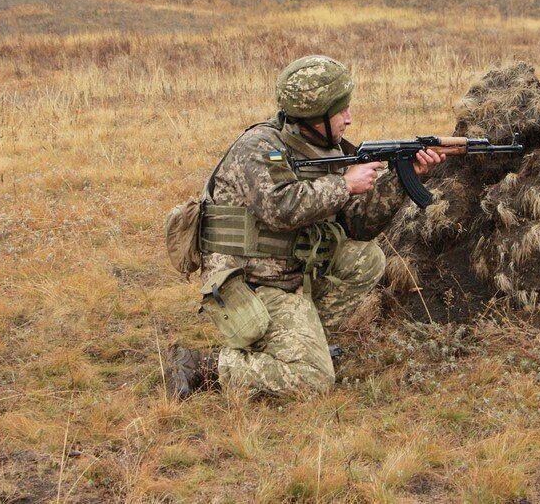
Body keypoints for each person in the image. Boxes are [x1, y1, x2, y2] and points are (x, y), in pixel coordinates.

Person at [168, 55, 443, 398]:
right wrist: (344, 184)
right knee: (312, 381)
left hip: (294, 271)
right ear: (314, 113)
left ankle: (301, 340)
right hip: (254, 281)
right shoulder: (258, 148)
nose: (349, 118)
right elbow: (280, 209)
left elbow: (357, 224)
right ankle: (205, 365)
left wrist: (403, 180)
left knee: (366, 258)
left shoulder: (325, 147)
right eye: (341, 111)